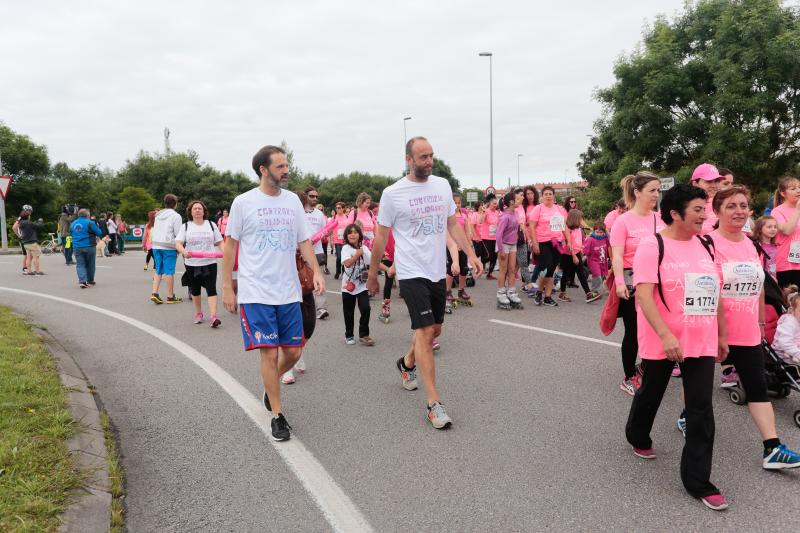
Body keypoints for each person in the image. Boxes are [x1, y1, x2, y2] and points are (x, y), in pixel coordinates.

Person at [625, 183, 729, 511]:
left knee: (701, 407)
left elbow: (716, 294)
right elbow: (644, 294)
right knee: (651, 393)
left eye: (705, 209)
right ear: (675, 214)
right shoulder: (651, 246)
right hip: (663, 339)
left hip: (700, 338)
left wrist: (721, 336)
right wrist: (666, 336)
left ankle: (698, 480)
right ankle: (638, 435)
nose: (704, 215)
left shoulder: (707, 246)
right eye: (698, 209)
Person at [366, 136, 482, 429]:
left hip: (435, 269)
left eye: (431, 156)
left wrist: (471, 254)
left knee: (434, 329)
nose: (429, 162)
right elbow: (380, 236)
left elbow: (452, 224)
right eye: (423, 157)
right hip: (410, 270)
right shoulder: (393, 193)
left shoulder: (442, 185)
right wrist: (372, 274)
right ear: (408, 159)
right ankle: (434, 403)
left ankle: (406, 364)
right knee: (427, 331)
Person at [222, 144, 324, 442]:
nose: (286, 170)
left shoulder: (293, 201)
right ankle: (277, 415)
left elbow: (304, 241)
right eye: (280, 166)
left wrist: (316, 271)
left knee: (293, 351)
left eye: (287, 165)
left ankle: (271, 385)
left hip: (288, 290)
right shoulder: (243, 202)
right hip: (256, 292)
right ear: (263, 170)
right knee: (268, 353)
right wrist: (228, 285)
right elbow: (230, 246)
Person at [708, 185, 800, 470]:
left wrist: (760, 321)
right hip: (713, 327)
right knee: (696, 384)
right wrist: (719, 331)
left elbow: (759, 284)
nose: (739, 211)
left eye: (743, 205)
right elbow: (709, 290)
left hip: (747, 327)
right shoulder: (707, 243)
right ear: (717, 211)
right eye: (731, 206)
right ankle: (689, 414)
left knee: (757, 385)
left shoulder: (750, 244)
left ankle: (772, 448)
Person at [610, 172, 665, 395]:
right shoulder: (622, 221)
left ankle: (646, 368)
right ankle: (629, 376)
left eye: (658, 190)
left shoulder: (660, 218)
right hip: (632, 281)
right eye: (652, 190)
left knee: (656, 328)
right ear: (637, 192)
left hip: (659, 281)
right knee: (633, 331)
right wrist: (620, 282)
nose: (657, 194)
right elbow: (616, 256)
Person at [176, 200, 224, 328]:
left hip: (210, 262)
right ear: (190, 212)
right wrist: (184, 252)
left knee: (211, 289)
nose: (197, 210)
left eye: (200, 208)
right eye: (195, 209)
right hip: (192, 263)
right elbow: (178, 243)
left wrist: (225, 253)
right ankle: (198, 313)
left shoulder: (211, 225)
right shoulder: (185, 226)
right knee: (195, 290)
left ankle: (214, 316)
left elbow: (220, 242)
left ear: (204, 211)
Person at [341, 223, 386, 345]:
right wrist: (357, 254)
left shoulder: (364, 249)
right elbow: (348, 263)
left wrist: (388, 270)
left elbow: (374, 262)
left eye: (355, 232)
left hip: (361, 285)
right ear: (346, 235)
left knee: (366, 309)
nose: (353, 234)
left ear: (360, 235)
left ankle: (364, 335)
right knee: (349, 312)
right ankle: (349, 335)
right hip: (348, 286)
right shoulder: (346, 248)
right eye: (350, 232)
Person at [528, 186, 572, 307]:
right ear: (542, 196)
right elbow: (531, 226)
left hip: (556, 242)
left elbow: (564, 227)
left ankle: (546, 296)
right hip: (542, 241)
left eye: (550, 194)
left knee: (551, 270)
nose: (548, 196)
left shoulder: (559, 209)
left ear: (554, 196)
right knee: (546, 267)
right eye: (546, 194)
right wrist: (534, 242)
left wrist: (569, 241)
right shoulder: (538, 209)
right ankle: (539, 292)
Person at [558, 209, 597, 303]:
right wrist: (574, 256)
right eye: (580, 218)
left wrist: (581, 250)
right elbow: (568, 244)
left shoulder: (578, 229)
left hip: (576, 253)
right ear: (576, 219)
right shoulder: (568, 230)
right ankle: (563, 293)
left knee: (580, 274)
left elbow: (579, 242)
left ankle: (588, 294)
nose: (581, 220)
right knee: (566, 274)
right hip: (568, 254)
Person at [150, 194, 183, 304]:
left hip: (156, 245)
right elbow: (178, 233)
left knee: (158, 270)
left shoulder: (158, 215)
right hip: (168, 246)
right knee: (169, 271)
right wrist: (180, 247)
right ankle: (170, 296)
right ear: (175, 204)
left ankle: (154, 293)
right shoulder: (176, 216)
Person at [495, 190, 524, 309]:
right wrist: (501, 250)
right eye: (517, 199)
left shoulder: (516, 213)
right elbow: (498, 235)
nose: (520, 201)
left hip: (513, 244)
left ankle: (511, 292)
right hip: (504, 245)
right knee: (503, 270)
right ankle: (501, 293)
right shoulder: (504, 216)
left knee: (512, 269)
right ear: (511, 202)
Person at [304, 186, 330, 320]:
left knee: (318, 279)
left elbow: (323, 233)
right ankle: (303, 306)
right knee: (302, 280)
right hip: (301, 252)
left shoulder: (320, 215)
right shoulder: (298, 212)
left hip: (317, 251)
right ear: (305, 196)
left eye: (316, 197)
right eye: (311, 196)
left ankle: (321, 308)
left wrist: (328, 233)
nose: (314, 199)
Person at [769, 176, 800, 288]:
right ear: (783, 193)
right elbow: (787, 230)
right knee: (786, 299)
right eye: (793, 188)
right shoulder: (777, 211)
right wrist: (797, 210)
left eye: (799, 187)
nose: (798, 190)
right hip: (784, 264)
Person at [446, 193, 473, 307]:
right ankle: (447, 291)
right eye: (455, 203)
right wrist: (454, 245)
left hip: (463, 246)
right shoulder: (448, 216)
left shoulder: (464, 216)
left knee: (464, 269)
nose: (457, 205)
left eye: (459, 203)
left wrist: (468, 242)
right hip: (452, 246)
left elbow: (467, 230)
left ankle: (461, 291)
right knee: (452, 269)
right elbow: (448, 232)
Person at [70, 208, 104, 288]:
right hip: (89, 246)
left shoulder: (73, 223)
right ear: (87, 215)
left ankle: (82, 281)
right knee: (90, 264)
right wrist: (97, 227)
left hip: (77, 247)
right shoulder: (90, 223)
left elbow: (71, 233)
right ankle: (90, 280)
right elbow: (99, 233)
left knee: (80, 264)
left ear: (79, 215)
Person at [690, 163, 725, 235]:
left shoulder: (726, 204)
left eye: (716, 181)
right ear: (695, 183)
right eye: (708, 181)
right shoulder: (681, 204)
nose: (714, 185)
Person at [773, 287, 800, 365]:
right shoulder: (789, 323)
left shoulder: (798, 319)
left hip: (795, 349)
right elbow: (785, 343)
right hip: (785, 353)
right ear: (792, 310)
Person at [520, 186, 538, 292]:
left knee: (539, 260)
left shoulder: (538, 206)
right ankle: (525, 283)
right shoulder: (523, 207)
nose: (530, 196)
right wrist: (529, 223)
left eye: (531, 193)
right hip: (526, 235)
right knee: (525, 260)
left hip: (537, 235)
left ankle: (537, 281)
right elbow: (522, 221)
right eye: (527, 194)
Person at [583, 221, 609, 295]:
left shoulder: (605, 238)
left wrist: (607, 232)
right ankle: (593, 291)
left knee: (601, 276)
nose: (599, 234)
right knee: (597, 276)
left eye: (601, 232)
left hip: (602, 261)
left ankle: (595, 290)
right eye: (597, 232)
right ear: (594, 231)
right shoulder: (590, 239)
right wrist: (584, 255)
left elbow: (611, 242)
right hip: (593, 261)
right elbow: (585, 250)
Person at [478, 193, 500, 279]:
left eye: (496, 203)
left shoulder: (497, 212)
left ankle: (489, 274)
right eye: (494, 203)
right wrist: (483, 212)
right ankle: (480, 263)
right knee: (488, 256)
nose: (496, 205)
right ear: (489, 204)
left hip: (495, 237)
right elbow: (480, 221)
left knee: (494, 257)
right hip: (486, 237)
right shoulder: (486, 211)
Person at [752, 216, 778, 280]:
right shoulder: (757, 246)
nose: (773, 229)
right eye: (769, 227)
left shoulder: (775, 246)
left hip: (773, 279)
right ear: (760, 229)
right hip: (762, 280)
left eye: (775, 227)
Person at [12, 204, 33, 274]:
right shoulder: (20, 218)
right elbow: (14, 227)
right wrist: (19, 235)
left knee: (27, 254)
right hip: (24, 238)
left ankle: (26, 267)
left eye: (30, 211)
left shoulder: (27, 217)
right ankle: (25, 268)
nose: (30, 212)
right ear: (25, 211)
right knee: (26, 254)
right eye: (29, 211)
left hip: (27, 238)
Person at [332, 202, 349, 279]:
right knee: (339, 257)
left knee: (344, 257)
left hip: (345, 241)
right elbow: (330, 228)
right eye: (337, 208)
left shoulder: (347, 217)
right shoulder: (334, 217)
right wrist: (330, 240)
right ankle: (338, 271)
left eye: (339, 208)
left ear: (343, 209)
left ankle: (343, 272)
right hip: (337, 241)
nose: (337, 209)